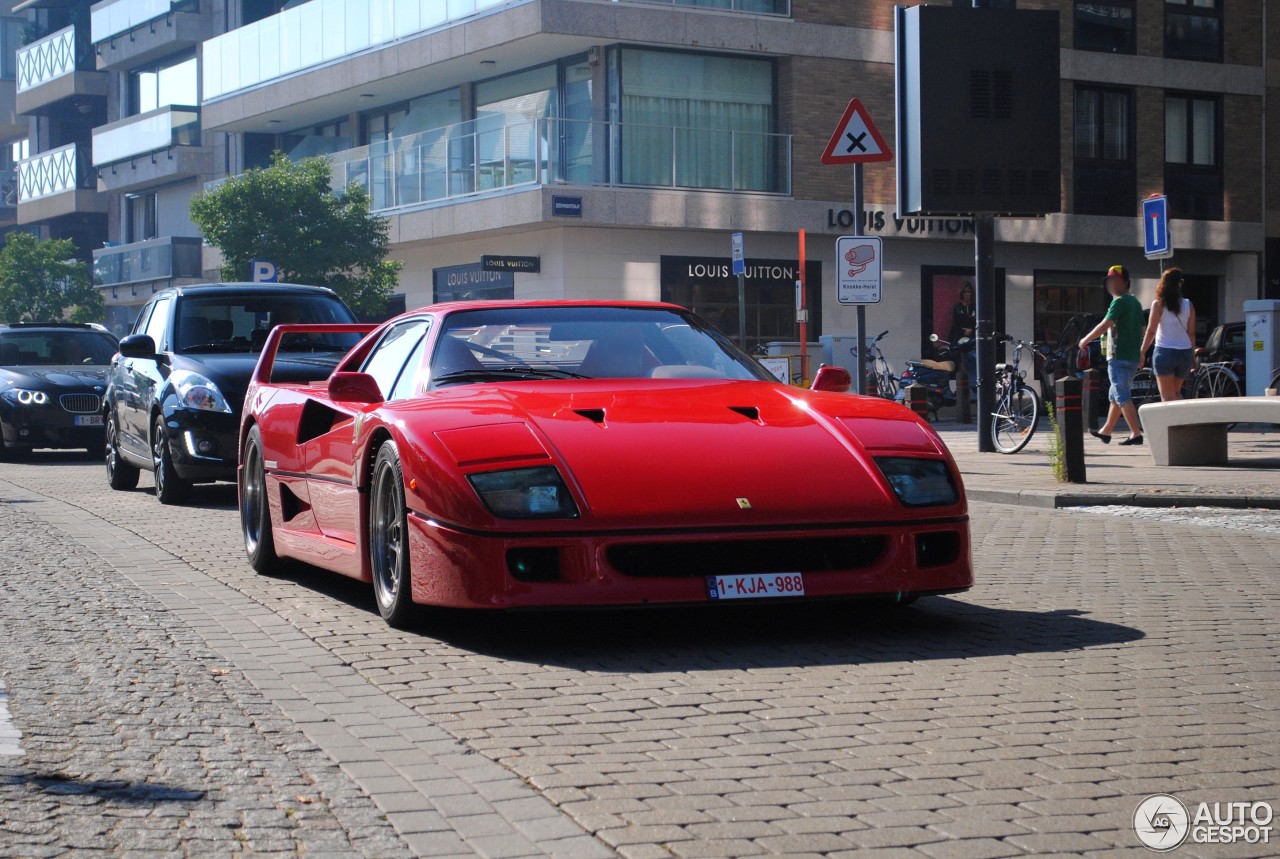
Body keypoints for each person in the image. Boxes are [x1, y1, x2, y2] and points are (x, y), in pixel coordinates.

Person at [1079, 265, 1145, 446]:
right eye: (1109, 280)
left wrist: (1085, 339)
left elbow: (1105, 324)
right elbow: (1142, 329)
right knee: (1115, 395)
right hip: (1131, 356)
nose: (1111, 284)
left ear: (1125, 282)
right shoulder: (1135, 302)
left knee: (1122, 395)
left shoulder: (1119, 302)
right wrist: (1141, 351)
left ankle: (1135, 433)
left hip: (1118, 355)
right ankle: (1106, 431)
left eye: (1114, 279)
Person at [1139, 267, 1196, 402]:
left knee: (1167, 396)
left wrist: (1142, 352)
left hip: (1165, 352)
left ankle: (1171, 423)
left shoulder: (1158, 304)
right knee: (1176, 393)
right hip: (1185, 353)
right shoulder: (1189, 305)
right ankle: (1182, 422)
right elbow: (1192, 333)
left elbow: (1151, 331)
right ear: (1180, 283)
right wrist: (1193, 355)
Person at [948, 281, 977, 395]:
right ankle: (962, 389)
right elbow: (956, 324)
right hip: (960, 339)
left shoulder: (975, 307)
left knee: (973, 363)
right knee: (961, 363)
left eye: (969, 292)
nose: (967, 294)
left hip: (973, 340)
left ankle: (973, 388)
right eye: (965, 292)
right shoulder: (958, 308)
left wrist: (972, 331)